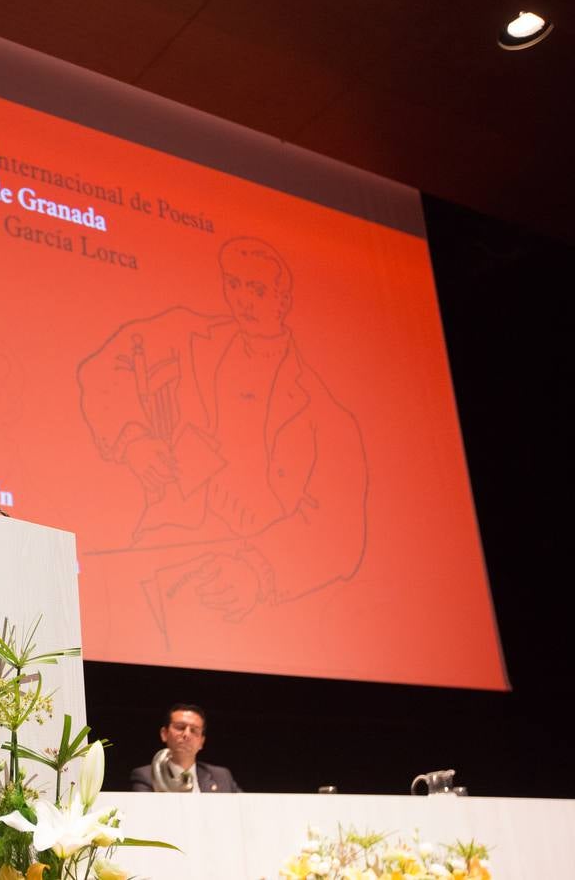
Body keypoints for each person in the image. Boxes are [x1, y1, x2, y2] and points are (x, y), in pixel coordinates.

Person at [77, 237, 368, 638]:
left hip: (244, 576)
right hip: (160, 545)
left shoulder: (325, 410)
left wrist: (259, 570)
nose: (243, 300)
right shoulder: (188, 334)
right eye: (234, 285)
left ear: (283, 298)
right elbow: (105, 367)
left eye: (258, 290)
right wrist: (132, 439)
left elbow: (338, 528)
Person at [129, 704, 240, 793]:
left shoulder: (221, 776)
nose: (186, 734)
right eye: (180, 727)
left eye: (194, 730)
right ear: (164, 734)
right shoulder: (146, 776)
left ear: (202, 742)